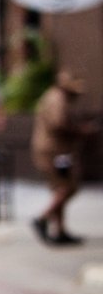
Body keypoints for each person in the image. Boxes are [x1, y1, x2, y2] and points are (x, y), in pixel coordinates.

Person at [31, 69, 97, 246]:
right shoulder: (57, 99)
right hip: (54, 151)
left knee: (61, 187)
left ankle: (59, 230)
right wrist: (81, 131)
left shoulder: (56, 97)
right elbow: (58, 123)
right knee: (67, 187)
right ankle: (43, 218)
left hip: (54, 150)